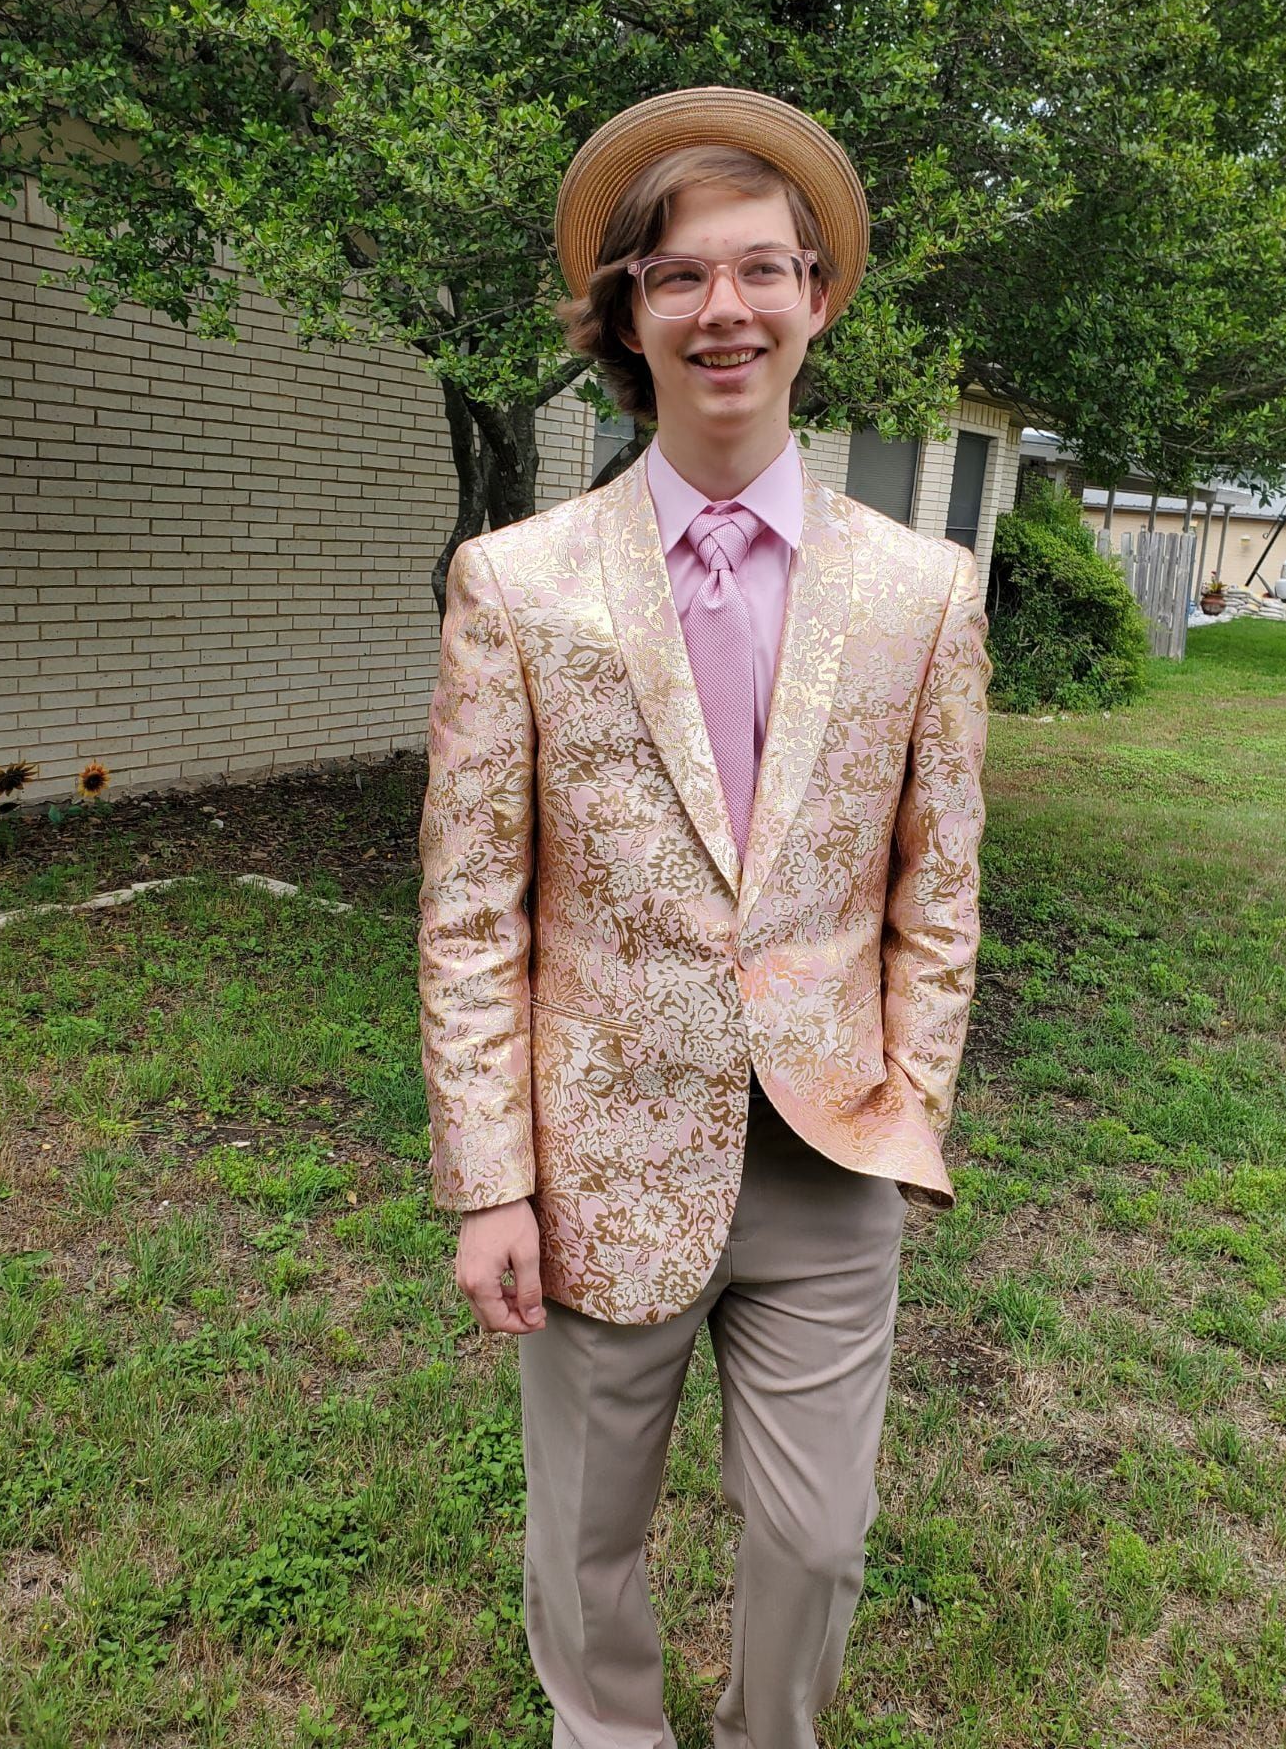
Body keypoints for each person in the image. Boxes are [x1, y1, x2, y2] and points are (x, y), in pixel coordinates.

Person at [417, 86, 991, 1749]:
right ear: (630, 315)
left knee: (815, 1541)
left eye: (760, 271)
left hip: (829, 1147)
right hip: (596, 1153)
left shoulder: (921, 592)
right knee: (585, 1544)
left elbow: (938, 885)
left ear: (816, 298)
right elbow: (471, 907)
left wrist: (917, 1104)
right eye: (679, 276)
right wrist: (491, 1177)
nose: (722, 309)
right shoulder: (516, 585)